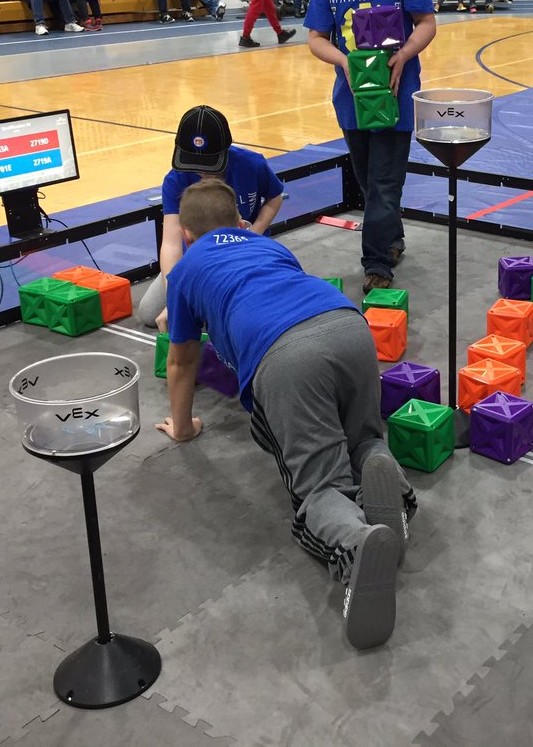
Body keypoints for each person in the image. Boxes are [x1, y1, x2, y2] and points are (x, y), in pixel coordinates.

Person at [155, 175, 415, 651]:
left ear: (187, 236)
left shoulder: (188, 268)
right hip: (347, 325)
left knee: (318, 487)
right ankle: (381, 467)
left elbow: (182, 360)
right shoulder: (266, 246)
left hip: (285, 356)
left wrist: (183, 427)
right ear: (239, 221)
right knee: (361, 435)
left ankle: (356, 543)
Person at [305, 0, 437, 292]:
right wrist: (343, 62)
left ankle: (377, 265)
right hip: (353, 104)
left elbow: (426, 23)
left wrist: (404, 54)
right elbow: (315, 38)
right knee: (369, 182)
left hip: (396, 100)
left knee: (383, 184)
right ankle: (392, 239)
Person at [137, 104, 285, 329]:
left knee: (240, 312)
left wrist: (255, 233)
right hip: (196, 259)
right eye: (195, 166)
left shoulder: (252, 163)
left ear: (226, 151)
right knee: (150, 313)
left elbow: (275, 197)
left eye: (209, 166)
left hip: (244, 252)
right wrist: (174, 296)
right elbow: (171, 244)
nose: (203, 173)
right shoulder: (175, 180)